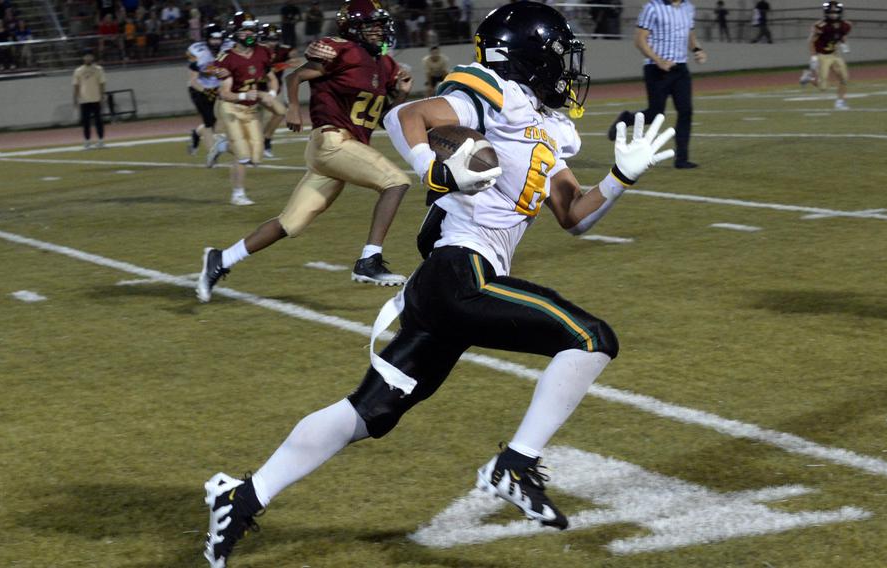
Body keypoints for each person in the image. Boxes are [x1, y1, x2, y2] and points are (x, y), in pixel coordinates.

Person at [201, 3, 676, 566]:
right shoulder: (496, 90)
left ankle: (243, 496)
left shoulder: (549, 125)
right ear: (528, 55)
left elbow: (574, 216)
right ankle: (516, 465)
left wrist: (620, 177)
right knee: (592, 339)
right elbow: (408, 117)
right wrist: (436, 167)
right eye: (557, 55)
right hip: (459, 272)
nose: (566, 67)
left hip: (455, 286)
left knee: (368, 412)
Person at [196, 0, 413, 301]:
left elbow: (385, 117)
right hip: (332, 142)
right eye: (372, 26)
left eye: (380, 25)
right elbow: (294, 76)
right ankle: (369, 260)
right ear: (355, 28)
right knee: (397, 181)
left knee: (290, 224)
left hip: (344, 150)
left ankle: (221, 259)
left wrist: (400, 93)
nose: (380, 31)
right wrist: (294, 108)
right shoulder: (343, 50)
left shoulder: (385, 64)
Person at [608, 0, 706, 169]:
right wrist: (658, 60)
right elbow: (640, 40)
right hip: (656, 69)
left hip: (680, 68)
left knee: (686, 111)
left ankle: (682, 159)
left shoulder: (688, 8)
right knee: (655, 114)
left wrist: (697, 49)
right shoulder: (652, 8)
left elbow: (689, 35)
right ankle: (625, 120)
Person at [209, 11, 285, 206]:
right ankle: (238, 194)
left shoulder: (263, 51)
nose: (249, 35)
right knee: (242, 156)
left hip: (251, 109)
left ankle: (223, 146)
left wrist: (271, 95)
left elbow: (272, 79)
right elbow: (224, 93)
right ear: (235, 33)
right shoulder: (226, 58)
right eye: (244, 31)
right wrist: (243, 95)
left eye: (252, 31)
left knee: (255, 158)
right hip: (231, 107)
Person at [799, 1, 852, 110]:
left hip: (834, 54)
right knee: (823, 87)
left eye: (835, 12)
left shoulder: (845, 25)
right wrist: (813, 57)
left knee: (844, 78)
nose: (833, 15)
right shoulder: (821, 26)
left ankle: (840, 102)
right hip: (822, 56)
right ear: (826, 13)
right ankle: (809, 78)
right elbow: (811, 41)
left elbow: (841, 35)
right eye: (831, 12)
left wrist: (843, 44)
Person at [258, 23, 296, 158]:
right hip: (254, 89)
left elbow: (295, 60)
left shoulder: (283, 50)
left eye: (274, 39)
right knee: (257, 121)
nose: (271, 43)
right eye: (268, 40)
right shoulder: (255, 51)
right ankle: (259, 143)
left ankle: (266, 140)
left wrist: (282, 64)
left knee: (278, 113)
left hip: (274, 89)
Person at [186, 22, 224, 156]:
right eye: (213, 39)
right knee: (208, 120)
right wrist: (207, 91)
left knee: (214, 122)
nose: (216, 42)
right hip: (198, 89)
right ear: (207, 39)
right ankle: (212, 154)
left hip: (216, 88)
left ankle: (196, 134)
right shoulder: (198, 51)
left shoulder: (227, 49)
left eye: (218, 39)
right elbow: (193, 80)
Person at [72, 50, 106, 149]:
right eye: (86, 56)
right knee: (85, 121)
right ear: (83, 58)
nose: (88, 58)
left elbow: (102, 83)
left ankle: (101, 141)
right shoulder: (78, 70)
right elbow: (76, 85)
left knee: (99, 120)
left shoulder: (98, 69)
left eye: (90, 56)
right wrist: (75, 97)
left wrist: (102, 95)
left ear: (93, 57)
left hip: (96, 98)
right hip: (84, 99)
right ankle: (87, 141)